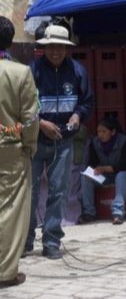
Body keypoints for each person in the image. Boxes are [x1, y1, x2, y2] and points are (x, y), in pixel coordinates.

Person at [25, 24, 94, 260]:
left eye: (60, 47)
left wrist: (77, 115)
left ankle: (51, 240)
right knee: (29, 193)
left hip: (63, 142)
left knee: (58, 192)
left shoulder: (77, 72)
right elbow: (22, 107)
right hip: (34, 142)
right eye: (51, 46)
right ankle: (25, 241)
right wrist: (40, 123)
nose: (56, 51)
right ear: (44, 47)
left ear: (66, 48)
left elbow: (87, 102)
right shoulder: (31, 71)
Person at [0, 16, 39, 286]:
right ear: (11, 42)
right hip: (11, 151)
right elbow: (30, 119)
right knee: (10, 211)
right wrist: (29, 146)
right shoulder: (20, 72)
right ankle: (5, 272)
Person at [78, 118, 126, 225]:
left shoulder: (124, 141)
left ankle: (118, 212)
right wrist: (91, 172)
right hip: (107, 176)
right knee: (86, 178)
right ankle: (89, 213)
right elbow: (92, 163)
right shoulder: (95, 142)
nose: (101, 135)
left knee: (121, 175)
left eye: (104, 132)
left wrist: (103, 169)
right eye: (98, 132)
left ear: (113, 132)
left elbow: (122, 166)